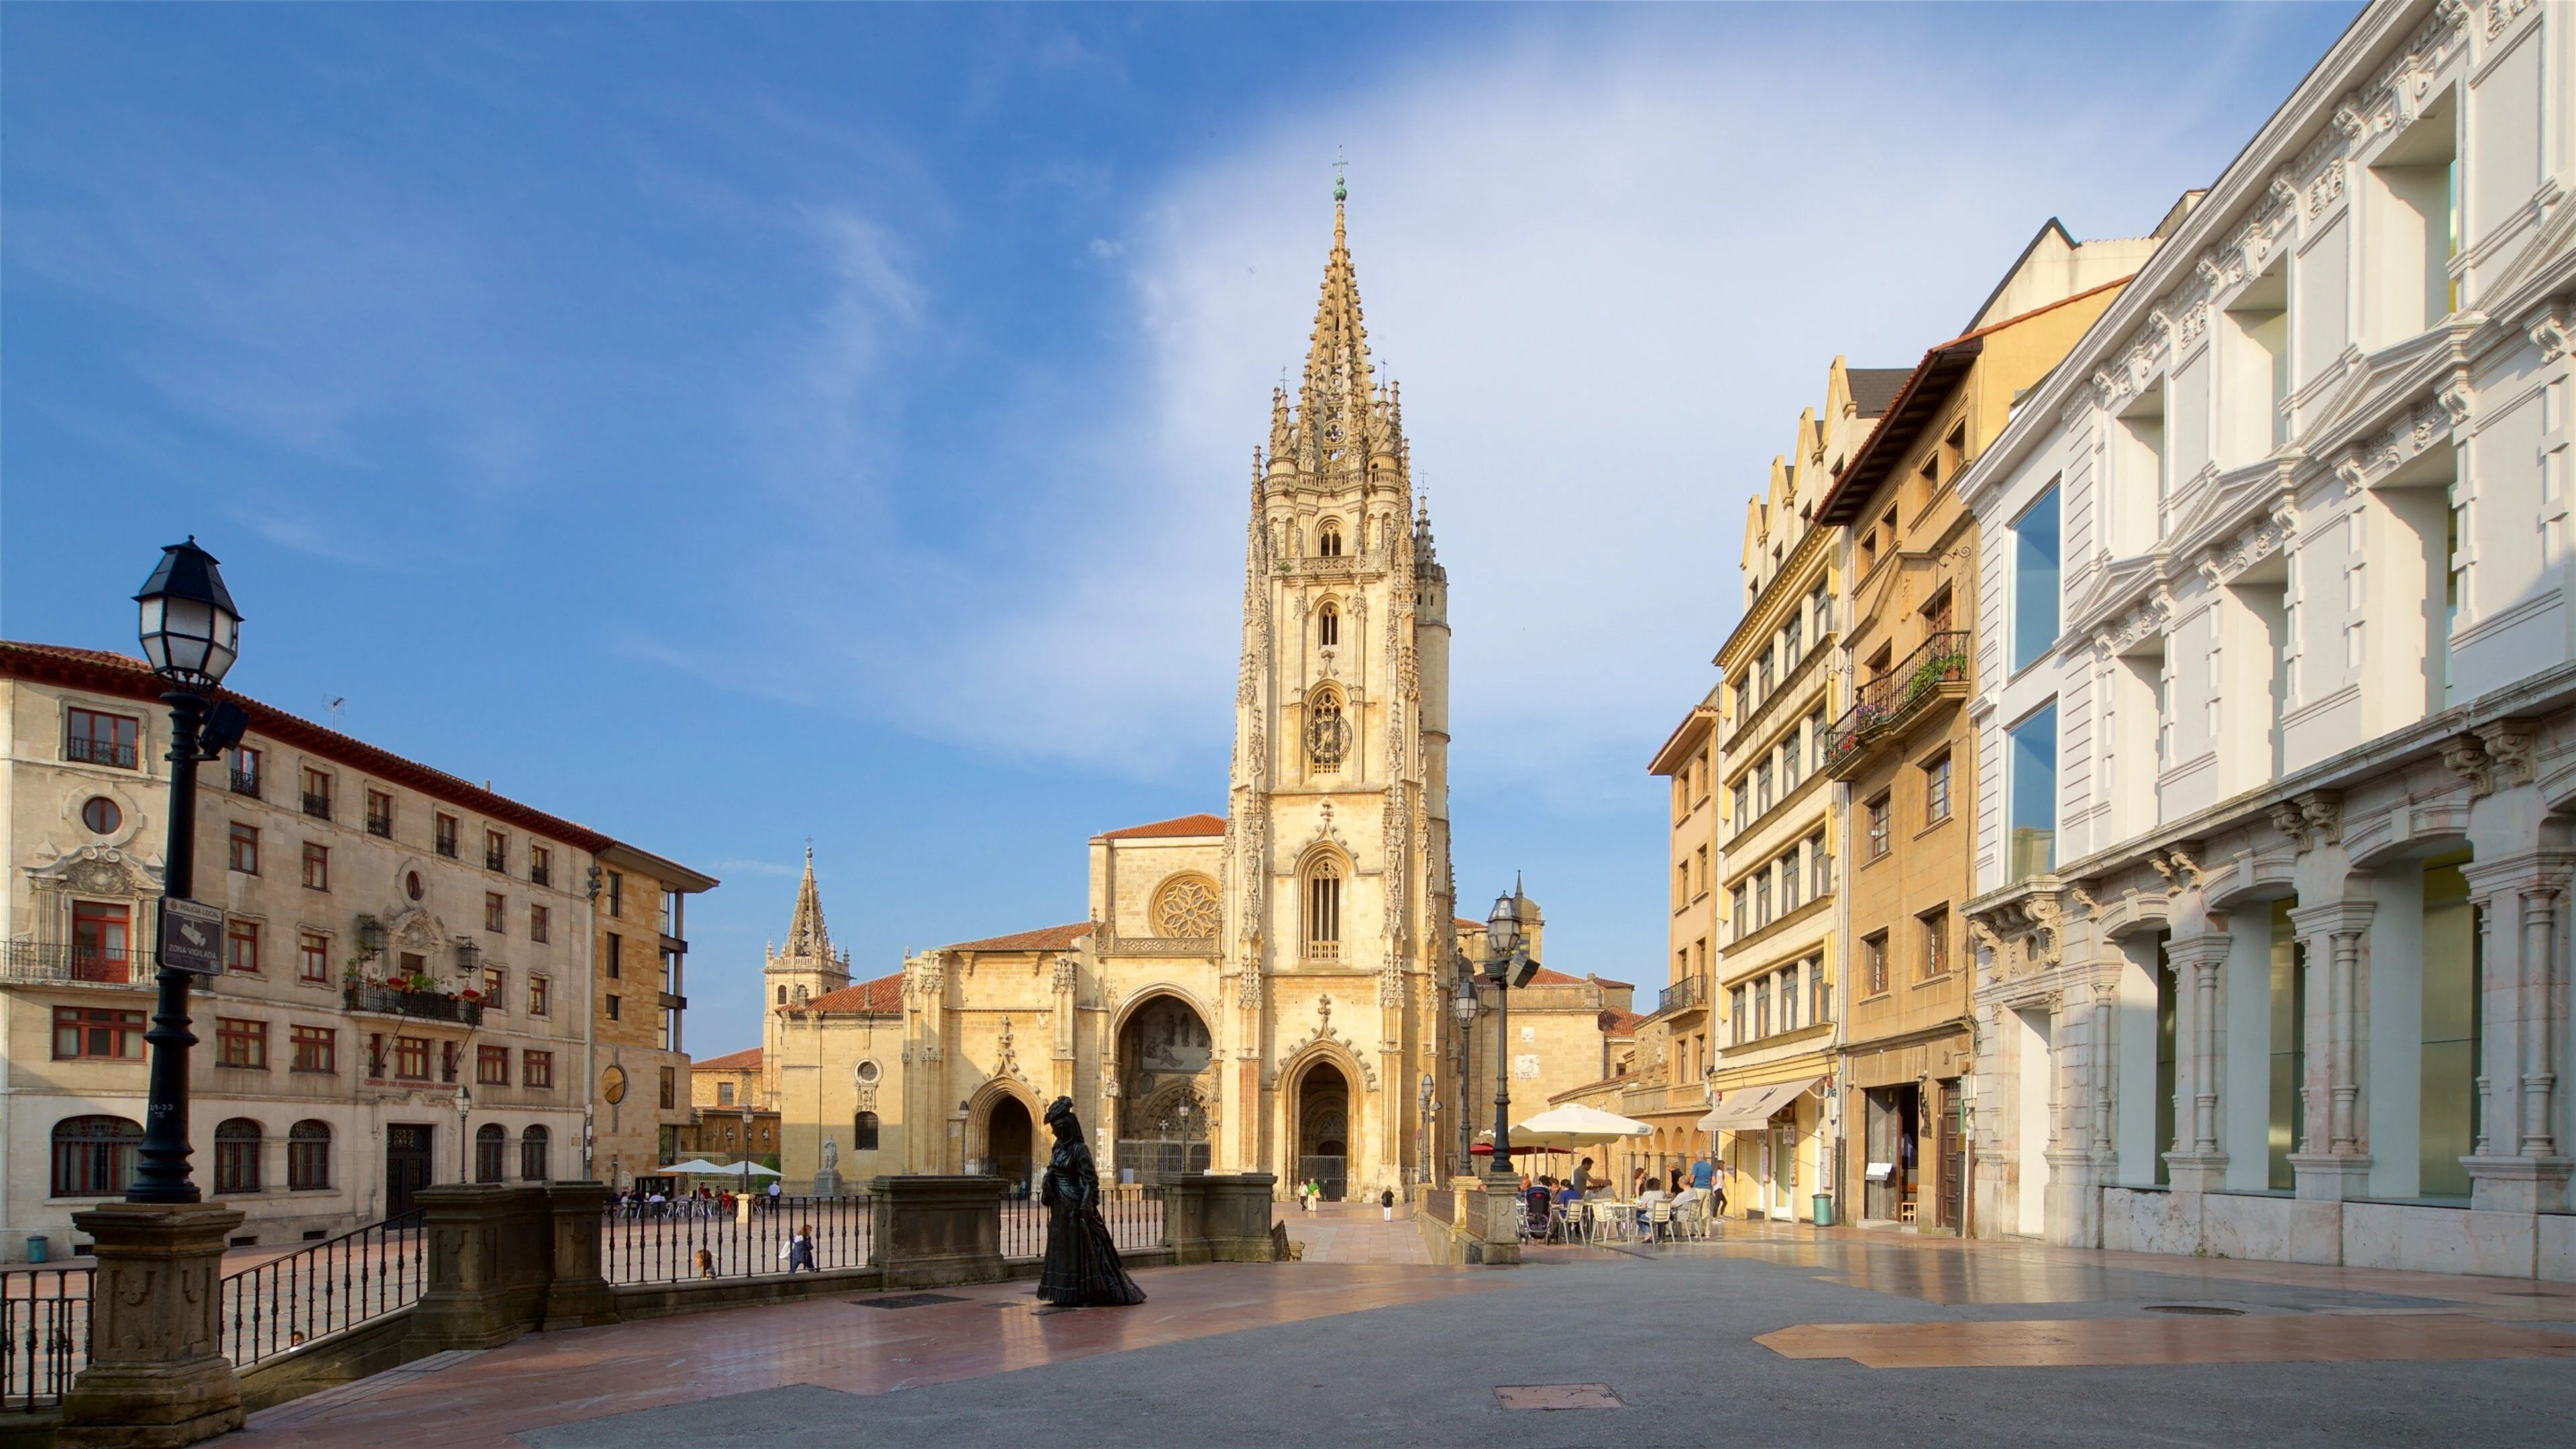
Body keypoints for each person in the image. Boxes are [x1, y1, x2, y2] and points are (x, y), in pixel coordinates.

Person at [1036, 1097, 1146, 1307]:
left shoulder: (1079, 1149)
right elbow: (1053, 1169)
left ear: (1066, 1128)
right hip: (1060, 1205)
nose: (1053, 1132)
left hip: (1075, 1205)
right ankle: (1065, 1292)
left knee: (1082, 1248)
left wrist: (1086, 1204)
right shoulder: (1058, 1148)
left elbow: (1091, 1180)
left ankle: (1089, 1292)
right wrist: (1048, 1181)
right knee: (1062, 1248)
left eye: (1056, 1129)